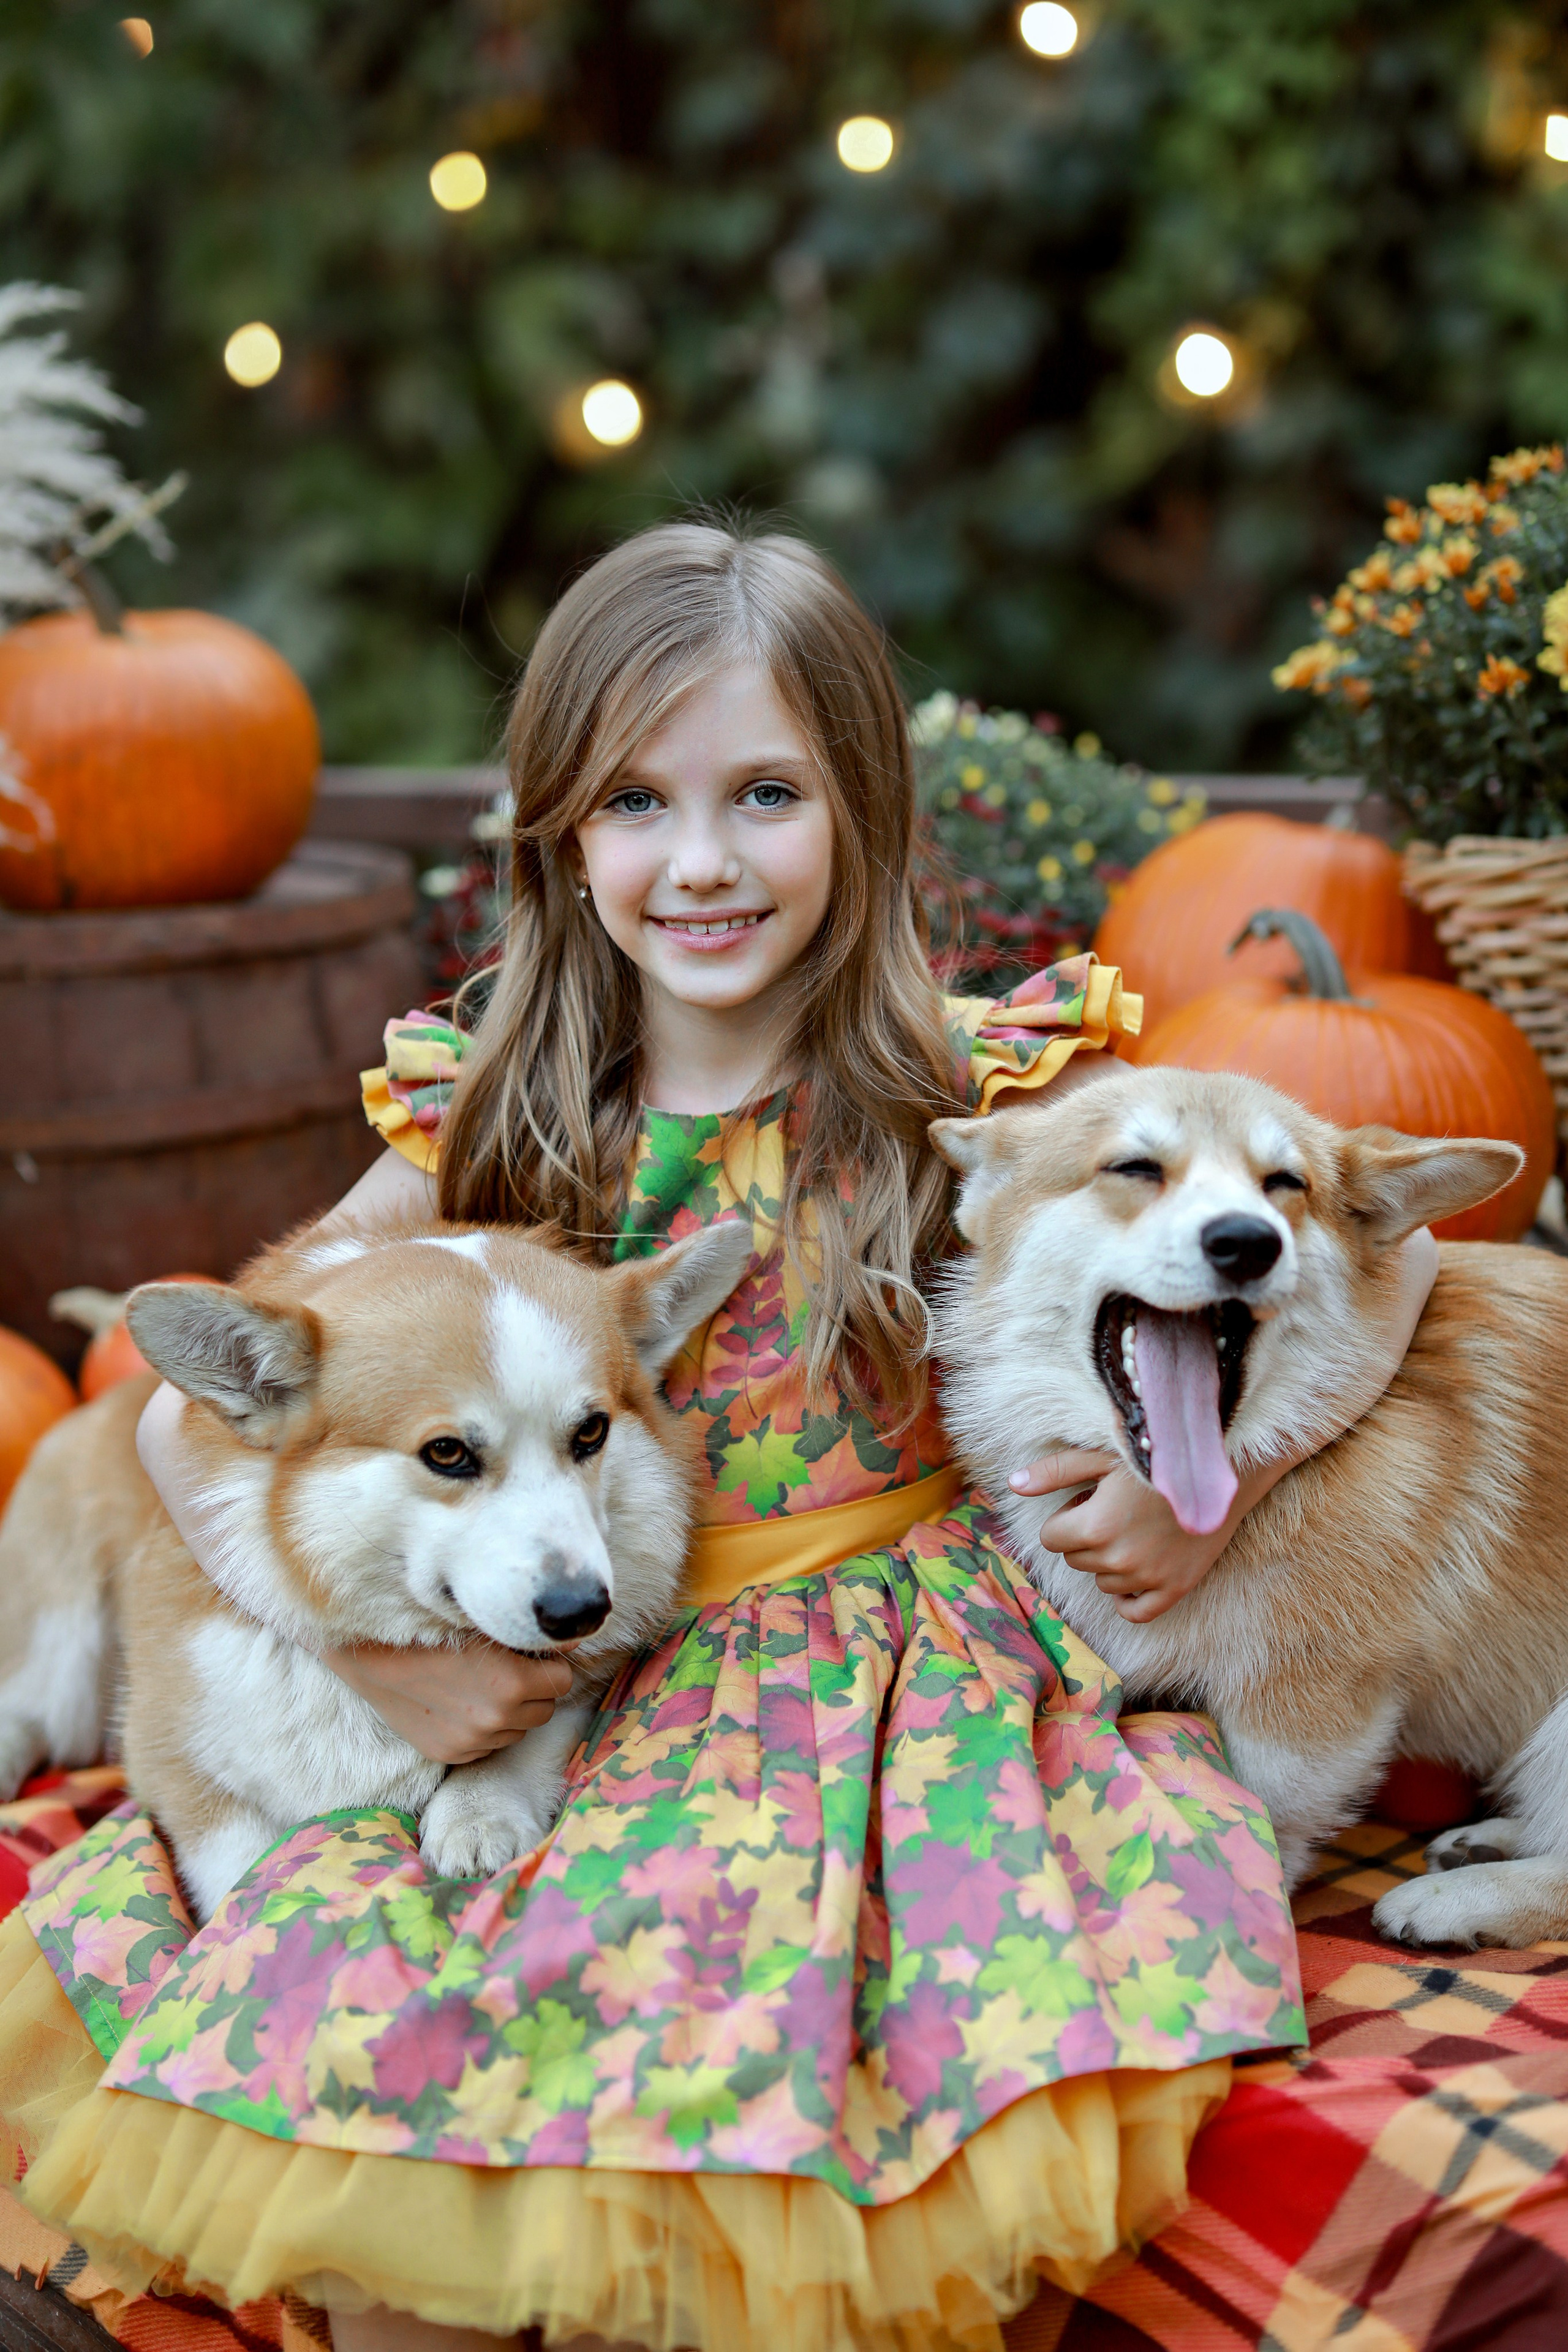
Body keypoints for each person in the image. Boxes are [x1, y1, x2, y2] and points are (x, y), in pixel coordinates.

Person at [0, 522, 1435, 2352]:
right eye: (635, 804)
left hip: (891, 1682)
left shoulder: (972, 1095)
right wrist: (367, 1651)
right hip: (579, 1664)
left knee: (829, 2110)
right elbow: (212, 1423)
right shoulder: (487, 1113)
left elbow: (1376, 1262)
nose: (699, 863)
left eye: (764, 793)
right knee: (400, 2090)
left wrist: (1224, 1496)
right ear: (559, 830)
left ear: (862, 806)